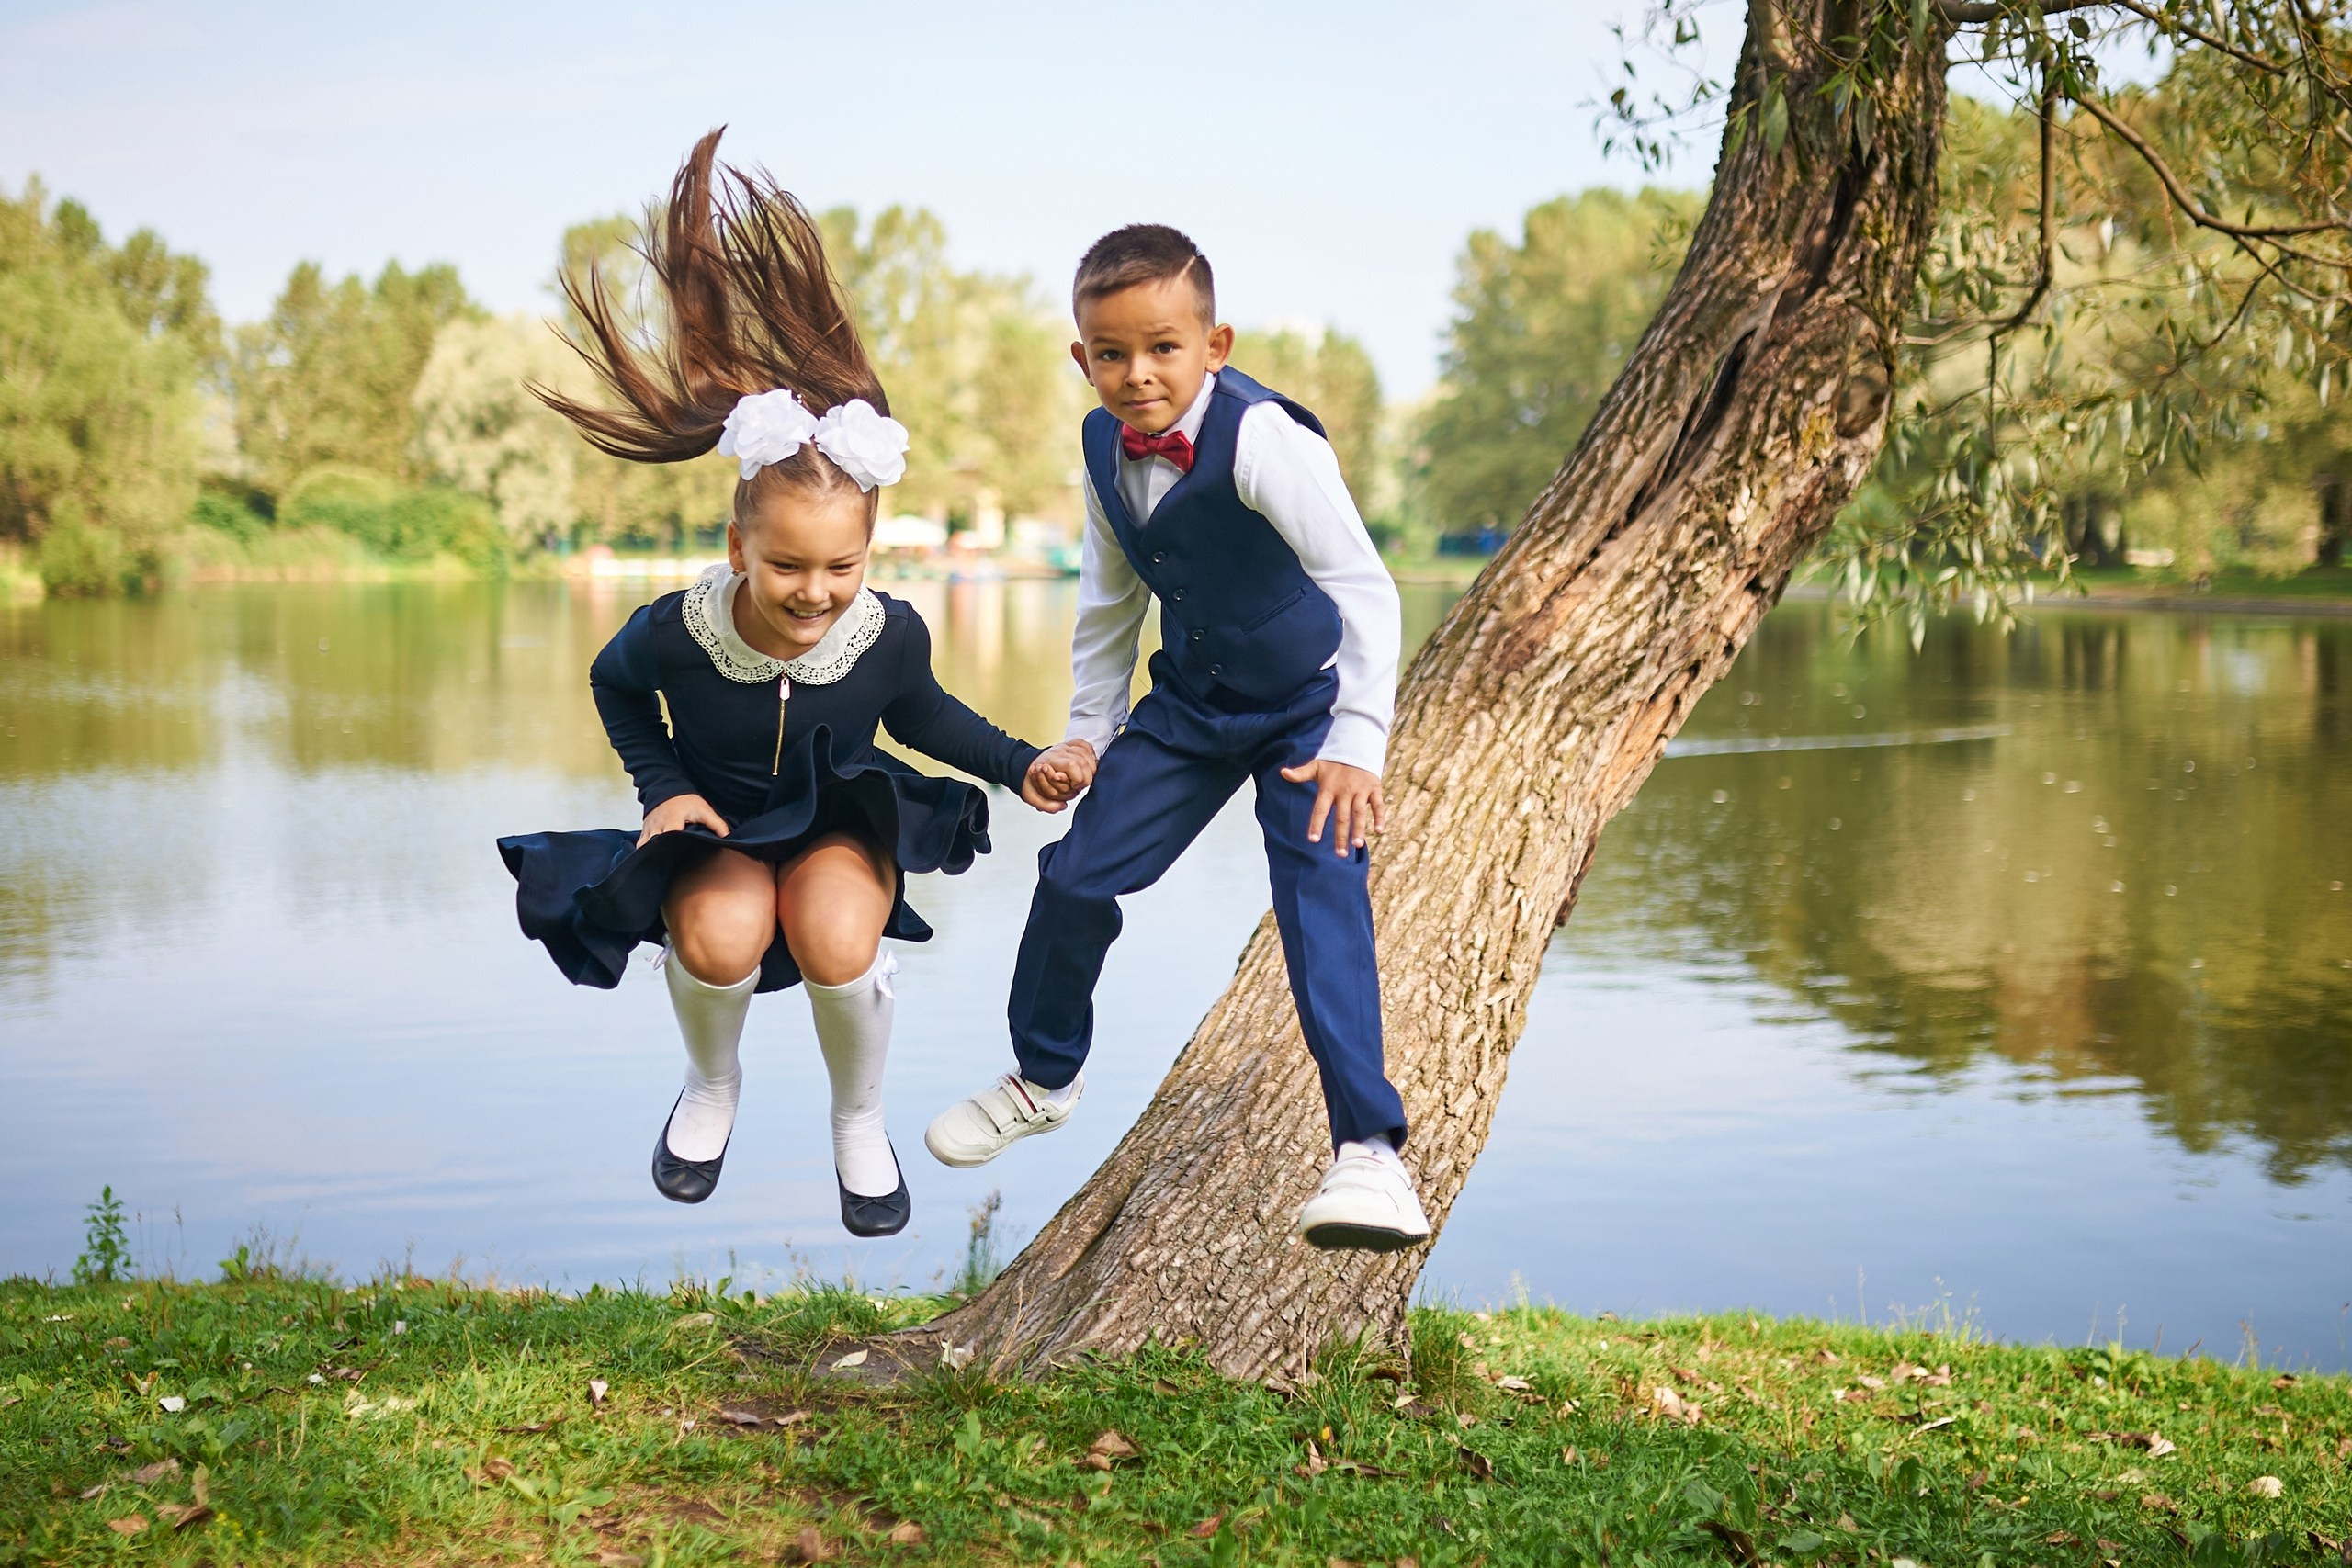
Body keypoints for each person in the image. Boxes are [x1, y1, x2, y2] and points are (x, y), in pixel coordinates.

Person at [498, 130, 1094, 1238]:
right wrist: (663, 789)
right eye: (786, 567)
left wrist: (1022, 766)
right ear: (738, 548)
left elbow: (925, 717)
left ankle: (856, 1120)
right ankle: (710, 1086)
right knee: (722, 934)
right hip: (717, 827)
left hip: (835, 827)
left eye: (840, 567)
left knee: (834, 933)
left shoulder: (885, 633)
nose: (814, 591)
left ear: (867, 556)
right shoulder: (676, 632)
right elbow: (613, 686)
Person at [923, 225, 1430, 1251]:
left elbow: (1363, 588)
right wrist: (1088, 735)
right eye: (1112, 353)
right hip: (1191, 705)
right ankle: (1045, 1075)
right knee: (1075, 875)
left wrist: (1356, 744)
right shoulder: (1101, 447)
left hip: (1307, 709)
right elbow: (1110, 601)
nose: (1138, 373)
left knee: (1320, 902)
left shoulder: (1264, 438)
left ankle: (1370, 1154)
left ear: (1215, 345)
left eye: (1163, 347)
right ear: (1082, 358)